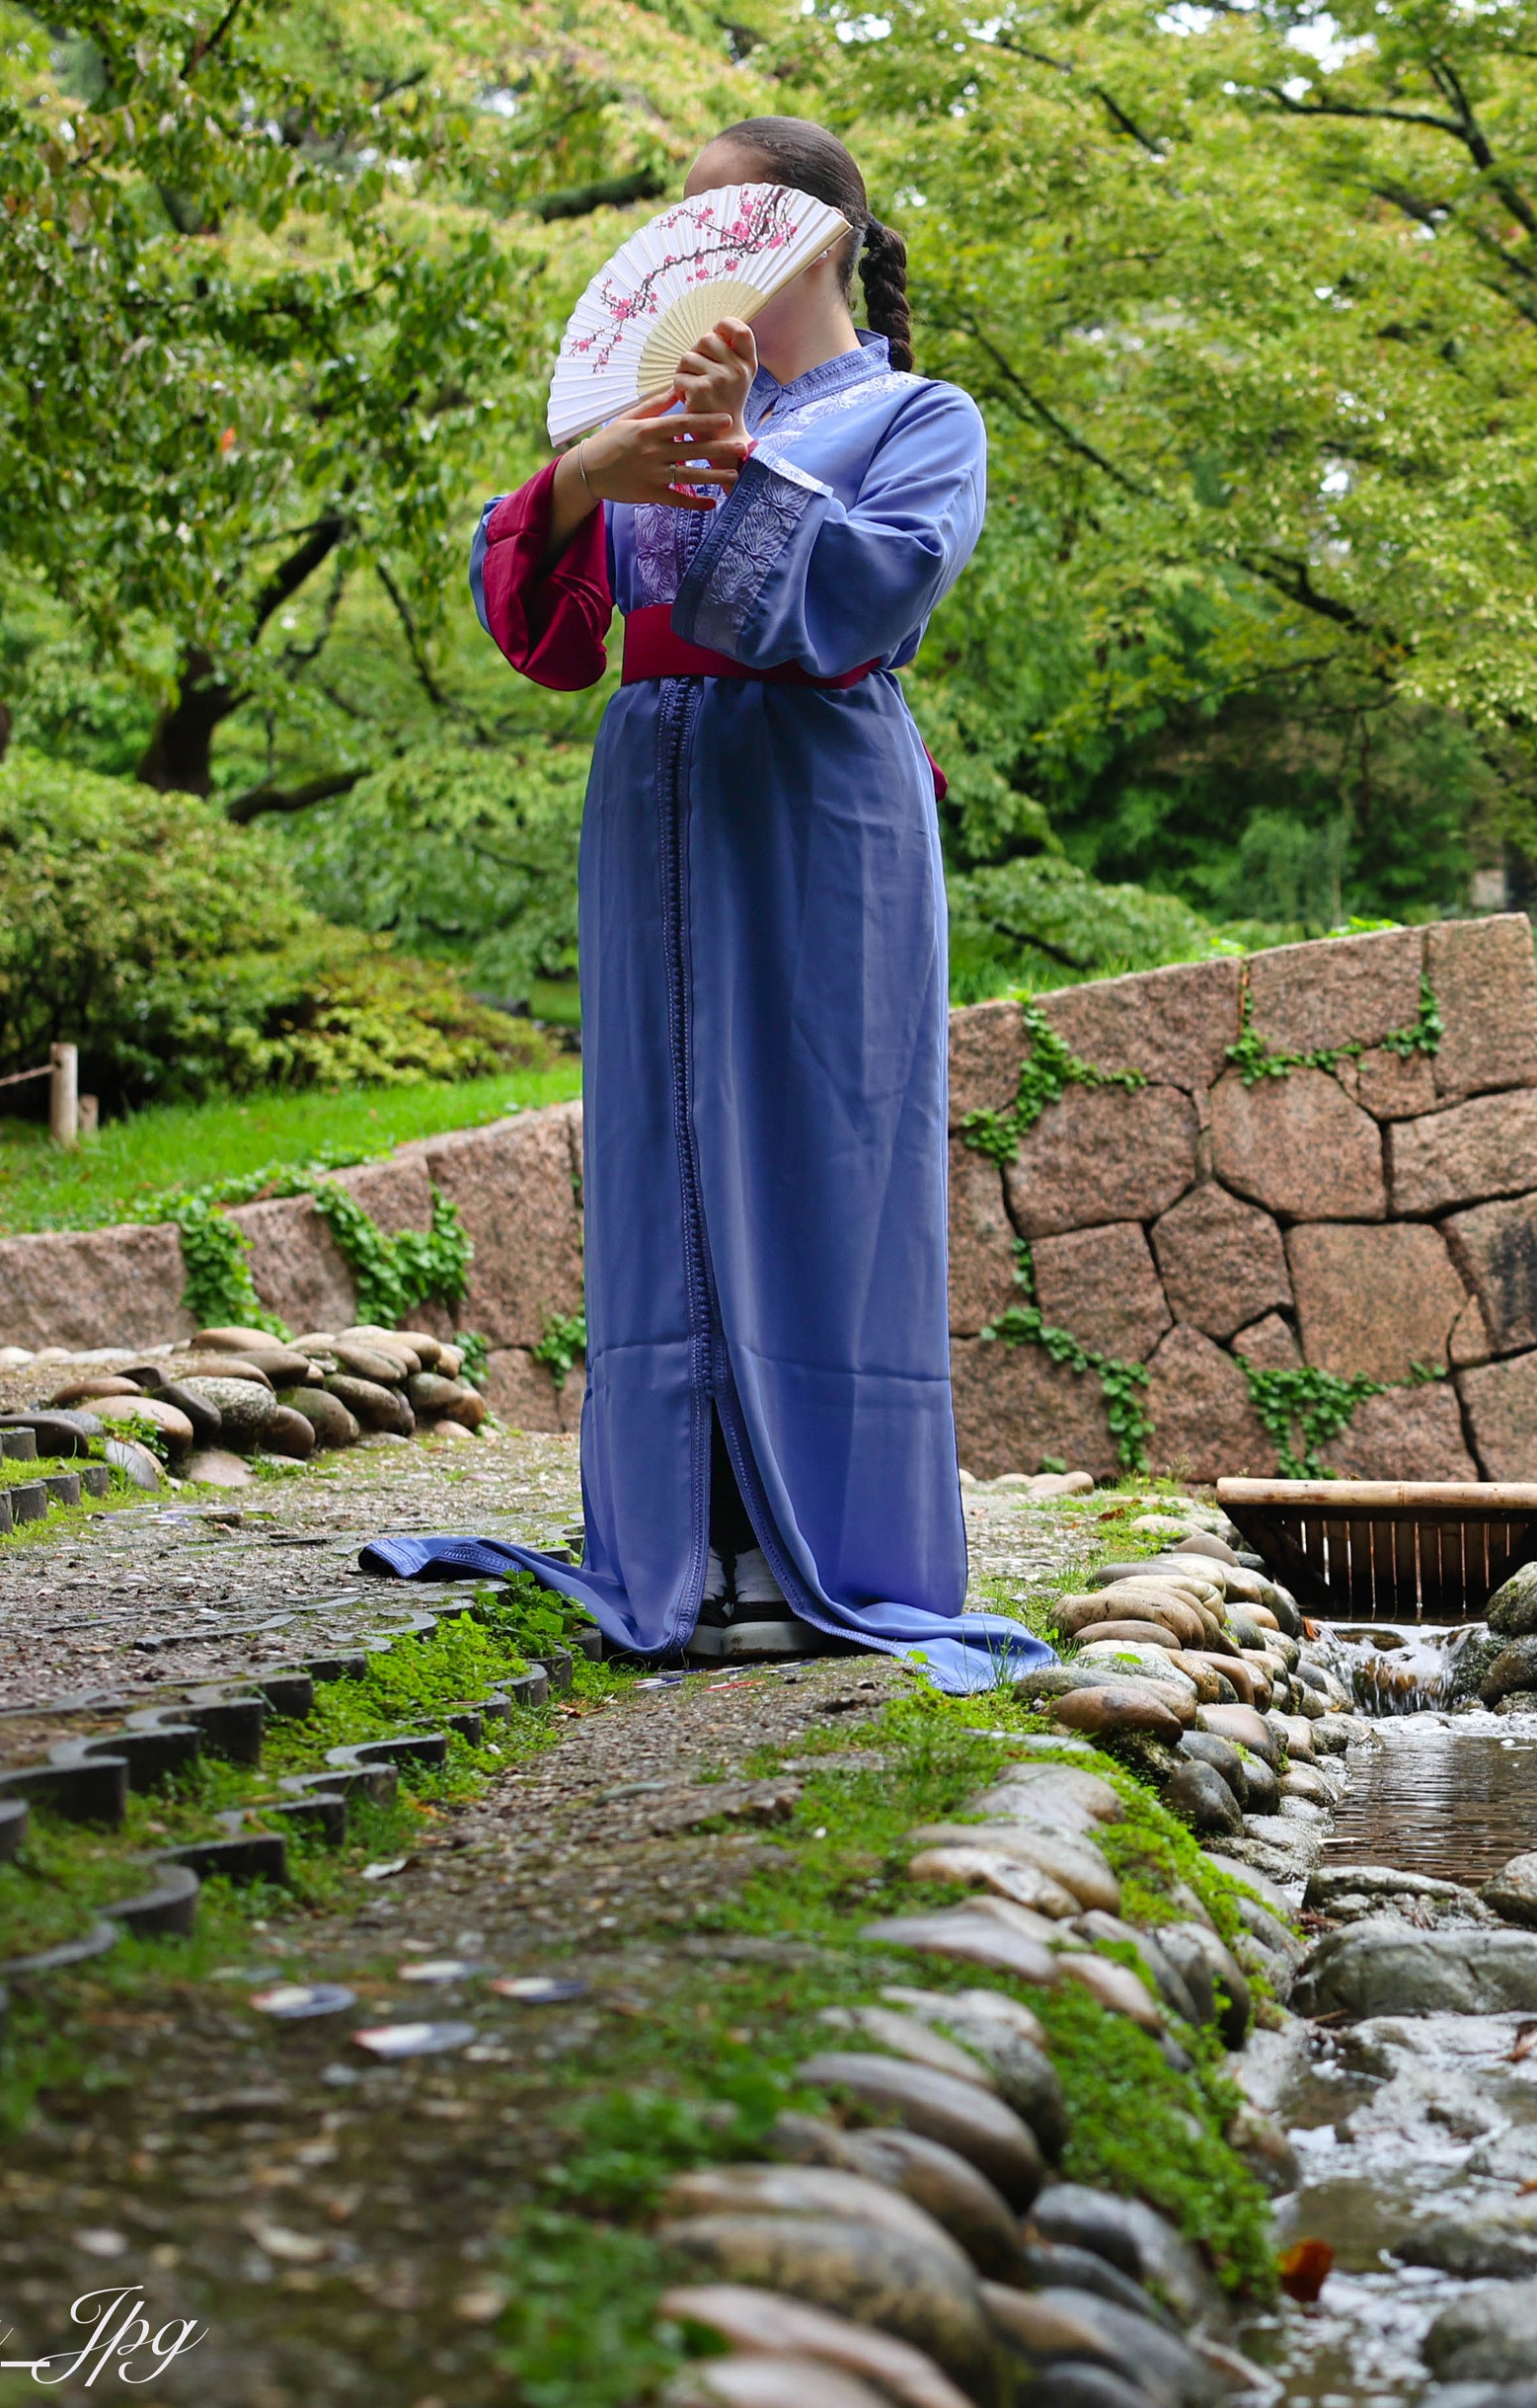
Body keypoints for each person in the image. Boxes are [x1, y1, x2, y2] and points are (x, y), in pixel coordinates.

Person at [364, 117, 1048, 1690]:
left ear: (811, 238)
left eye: (722, 219)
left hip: (822, 799)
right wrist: (568, 484)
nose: (691, 250)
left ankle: (828, 1545)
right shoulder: (638, 421)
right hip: (653, 791)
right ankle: (685, 1539)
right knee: (663, 1146)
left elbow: (871, 593)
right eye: (680, 226)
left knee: (827, 1148)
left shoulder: (916, 416)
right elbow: (548, 638)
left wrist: (739, 465)